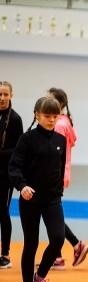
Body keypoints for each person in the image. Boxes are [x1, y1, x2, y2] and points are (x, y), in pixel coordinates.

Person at [8, 97, 66, 282]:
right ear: (37, 115)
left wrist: (58, 190)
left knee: (58, 239)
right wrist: (22, 186)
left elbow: (59, 168)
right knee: (31, 244)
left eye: (54, 116)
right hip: (30, 199)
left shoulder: (61, 140)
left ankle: (40, 277)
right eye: (47, 116)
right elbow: (14, 167)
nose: (51, 120)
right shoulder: (27, 139)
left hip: (52, 199)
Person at [47, 88, 88, 269]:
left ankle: (67, 250)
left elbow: (53, 153)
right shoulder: (64, 122)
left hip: (53, 175)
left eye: (48, 99)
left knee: (51, 215)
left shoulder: (58, 125)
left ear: (59, 104)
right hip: (59, 174)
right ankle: (68, 249)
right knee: (51, 214)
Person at [0, 81, 23, 270]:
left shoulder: (15, 119)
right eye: (0, 94)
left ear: (11, 96)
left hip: (5, 174)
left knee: (2, 212)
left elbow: (18, 150)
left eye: (5, 94)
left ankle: (5, 254)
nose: (2, 98)